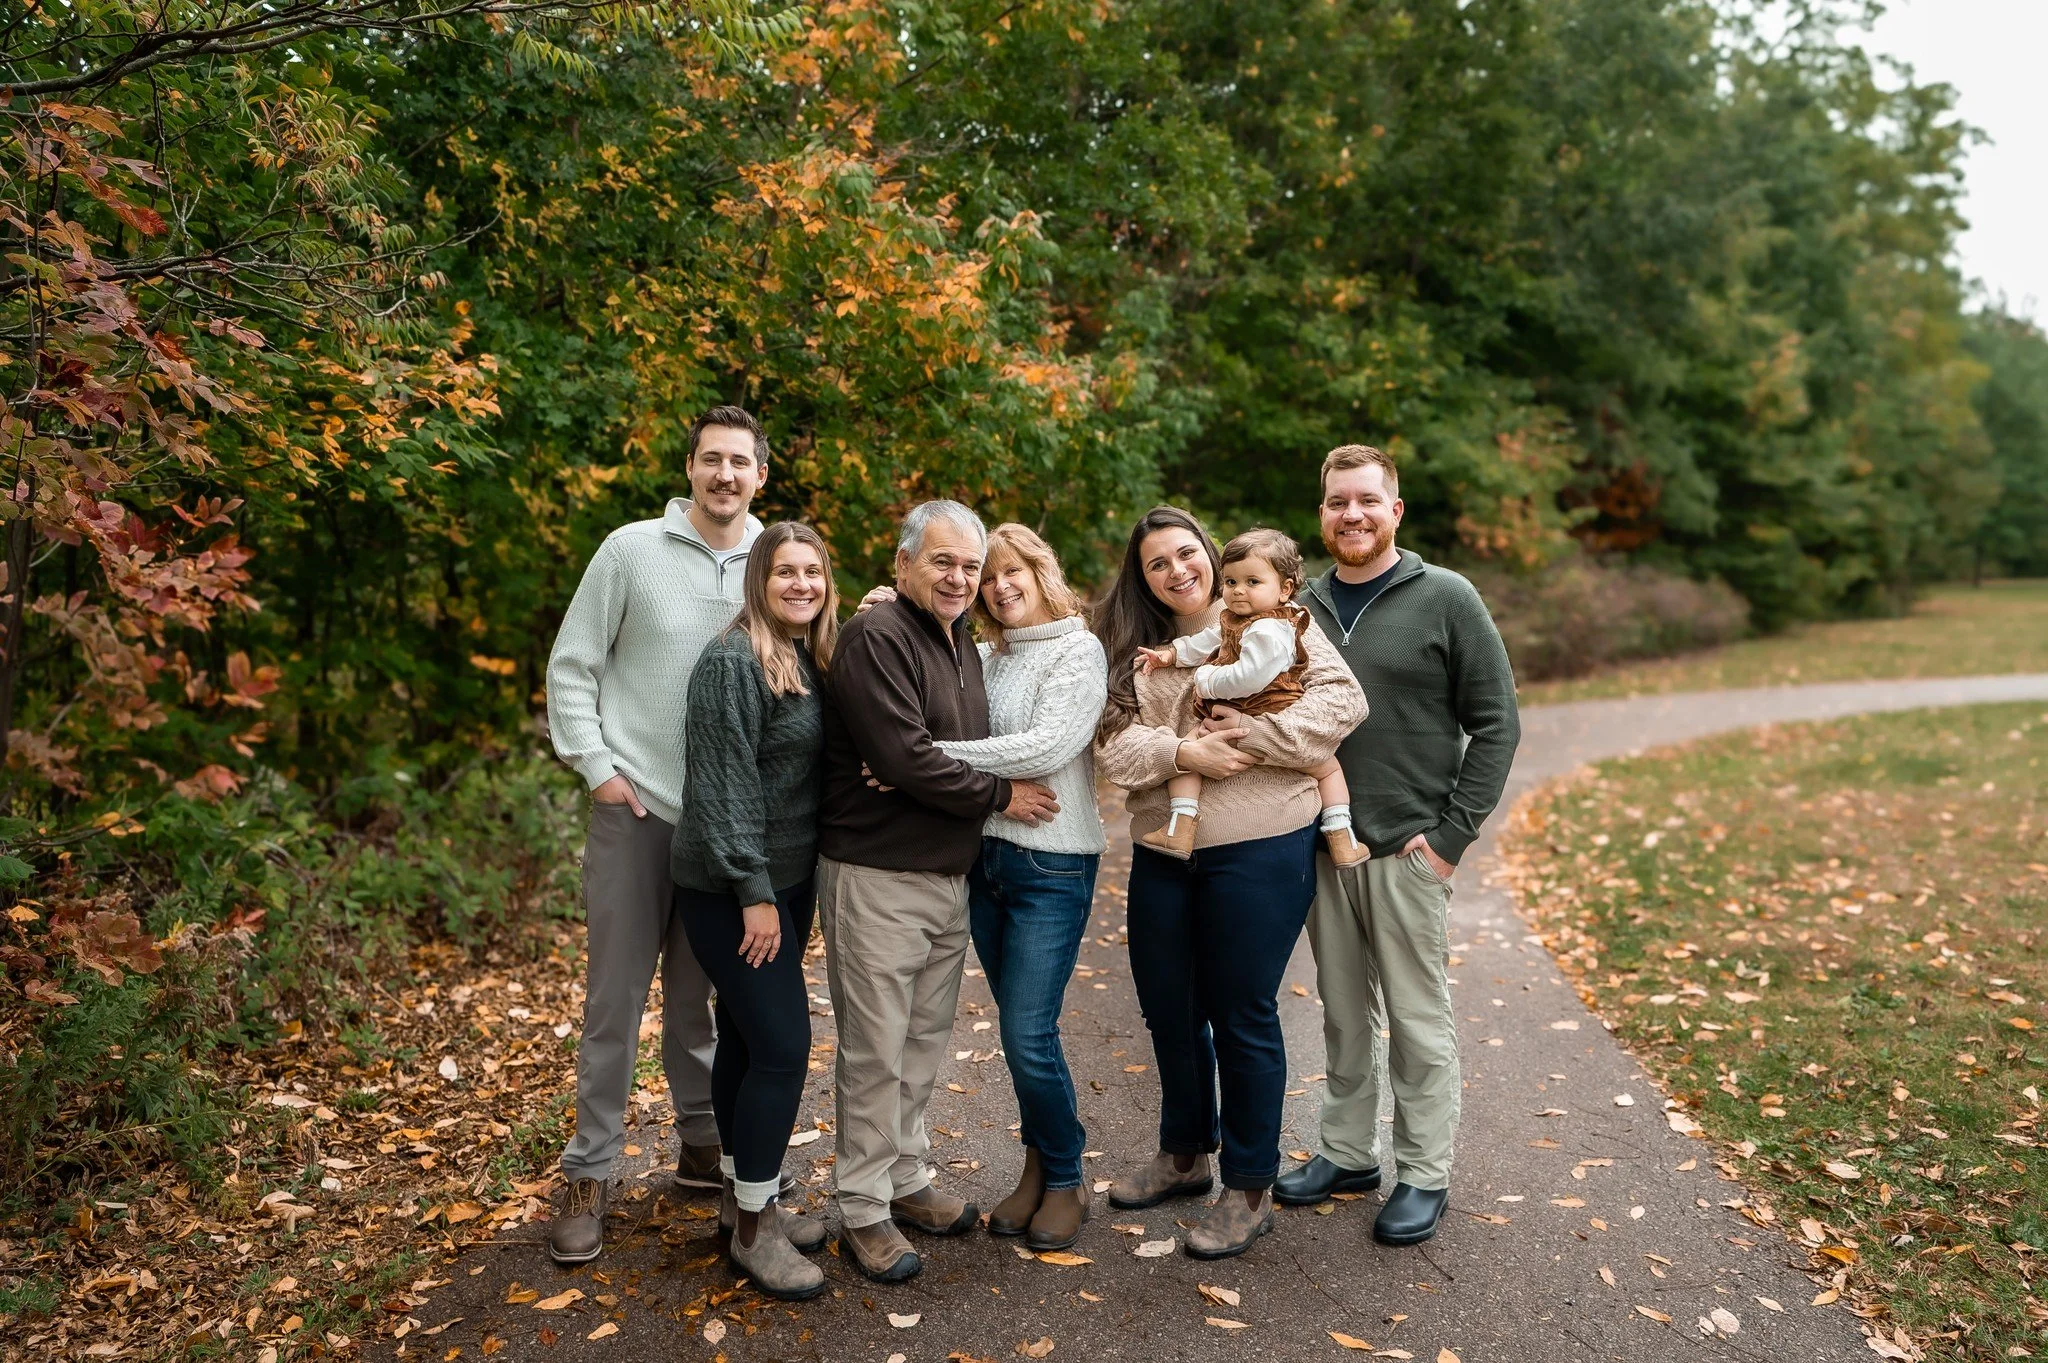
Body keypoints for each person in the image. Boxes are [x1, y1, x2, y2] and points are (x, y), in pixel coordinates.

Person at [1093, 506, 1366, 1260]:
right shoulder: (1133, 649)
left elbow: (1342, 705)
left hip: (1262, 843)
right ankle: (1185, 1153)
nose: (1177, 569)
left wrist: (1244, 737)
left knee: (1241, 1012)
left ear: (1212, 556)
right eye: (1157, 562)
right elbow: (1115, 747)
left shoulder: (1276, 617)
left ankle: (1250, 1186)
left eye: (1187, 553)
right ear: (1140, 575)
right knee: (1169, 1008)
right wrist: (1187, 751)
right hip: (1165, 849)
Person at [542, 404, 773, 1265]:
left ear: (760, 476)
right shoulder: (630, 550)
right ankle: (588, 1171)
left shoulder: (771, 562)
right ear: (689, 468)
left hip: (723, 825)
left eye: (739, 462)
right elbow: (573, 666)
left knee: (698, 1002)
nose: (725, 475)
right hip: (635, 810)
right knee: (614, 1003)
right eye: (711, 459)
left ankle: (701, 1142)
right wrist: (599, 769)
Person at [1276, 444, 1521, 1248]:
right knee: (1344, 1015)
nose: (1351, 514)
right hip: (1321, 850)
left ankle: (1423, 1172)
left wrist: (1451, 839)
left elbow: (1496, 723)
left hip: (1409, 853)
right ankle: (1348, 1154)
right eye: (1337, 502)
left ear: (1395, 511)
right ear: (1322, 514)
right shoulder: (1297, 607)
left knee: (1418, 1021)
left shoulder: (1445, 596)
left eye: (1366, 501)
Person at [816, 500, 1062, 1283]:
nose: (959, 577)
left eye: (969, 565)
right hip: (876, 876)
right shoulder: (875, 636)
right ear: (902, 564)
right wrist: (1000, 794)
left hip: (946, 878)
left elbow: (927, 757)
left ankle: (905, 1176)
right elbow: (906, 755)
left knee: (921, 1045)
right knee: (874, 1049)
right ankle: (861, 1208)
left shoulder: (961, 642)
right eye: (942, 562)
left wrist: (944, 774)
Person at [669, 522, 838, 1299]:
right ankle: (752, 1231)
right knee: (780, 1047)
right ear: (758, 580)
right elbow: (722, 788)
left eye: (813, 572)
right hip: (733, 890)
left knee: (743, 1037)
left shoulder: (802, 652)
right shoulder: (732, 661)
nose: (801, 584)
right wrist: (755, 893)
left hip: (784, 883)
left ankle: (749, 1196)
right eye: (785, 572)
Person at [936, 525, 1108, 1251]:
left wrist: (927, 757)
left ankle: (1067, 1176)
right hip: (989, 863)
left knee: (1026, 1032)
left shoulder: (1080, 649)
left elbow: (1047, 745)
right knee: (1019, 1033)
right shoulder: (986, 656)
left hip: (1053, 867)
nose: (999, 587)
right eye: (987, 578)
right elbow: (931, 679)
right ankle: (1036, 1169)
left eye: (1013, 572)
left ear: (1042, 571)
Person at [1134, 527, 1367, 867]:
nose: (1239, 591)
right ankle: (1341, 833)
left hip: (1260, 712)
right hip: (1249, 717)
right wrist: (1171, 655)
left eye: (1252, 583)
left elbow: (1250, 677)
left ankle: (1181, 822)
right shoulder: (1238, 619)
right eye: (1231, 583)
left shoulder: (1270, 629)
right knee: (1328, 770)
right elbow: (1206, 641)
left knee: (1190, 749)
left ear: (1285, 588)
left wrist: (1207, 681)